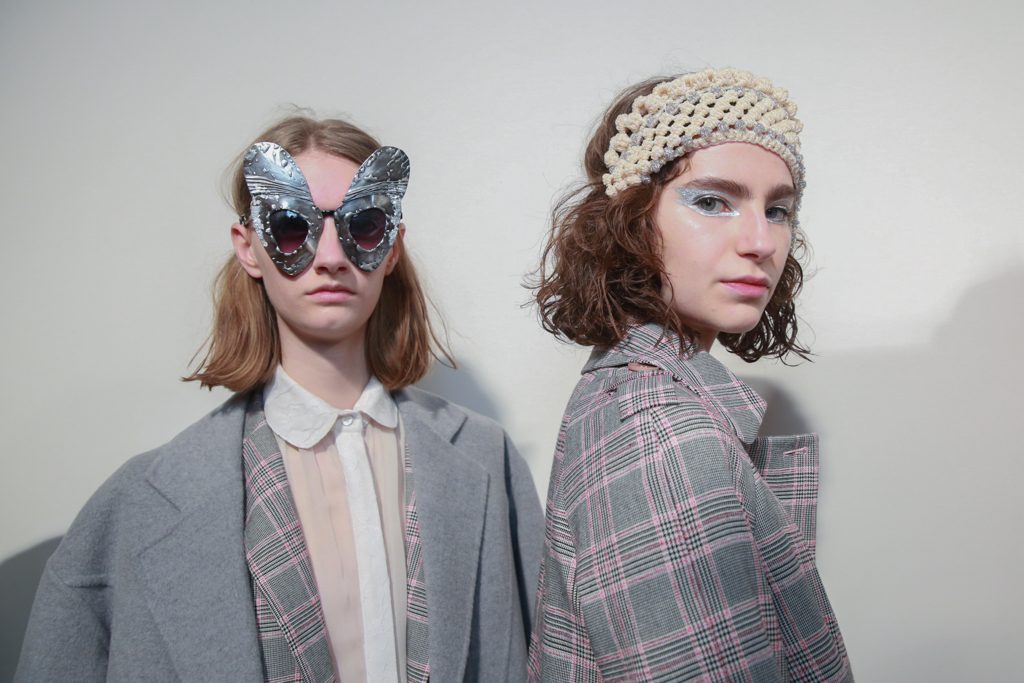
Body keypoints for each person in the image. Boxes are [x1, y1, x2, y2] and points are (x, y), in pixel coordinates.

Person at [17, 115, 543, 683]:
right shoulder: (141, 503)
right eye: (292, 228)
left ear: (392, 247)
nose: (331, 257)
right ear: (248, 248)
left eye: (364, 225)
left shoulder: (487, 462)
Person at [528, 69, 853, 682]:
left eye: (778, 210)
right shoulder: (662, 432)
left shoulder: (636, 389)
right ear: (628, 223)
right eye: (711, 201)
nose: (761, 241)